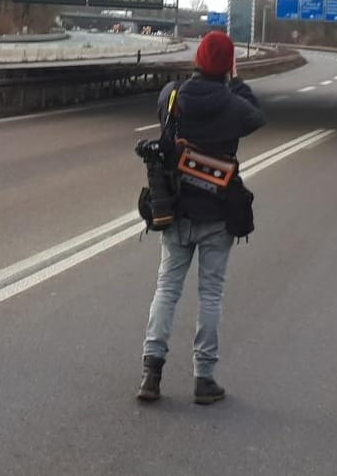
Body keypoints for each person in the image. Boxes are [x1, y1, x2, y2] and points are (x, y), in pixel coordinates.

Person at [136, 31, 265, 405]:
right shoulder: (233, 105)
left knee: (167, 290)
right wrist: (237, 81)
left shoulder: (172, 95)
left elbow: (164, 119)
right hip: (217, 214)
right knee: (210, 294)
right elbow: (257, 115)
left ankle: (151, 373)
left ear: (196, 59)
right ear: (227, 66)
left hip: (174, 209)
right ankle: (203, 379)